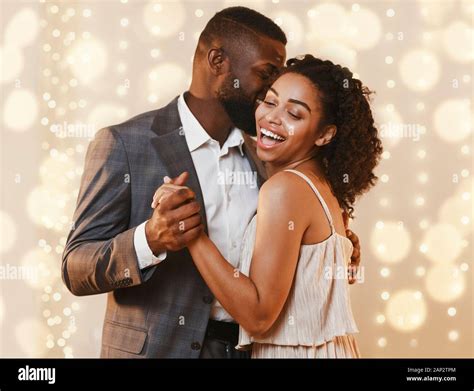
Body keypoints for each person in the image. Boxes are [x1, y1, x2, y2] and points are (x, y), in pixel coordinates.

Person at [62, 7, 361, 359]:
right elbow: (75, 267)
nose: (269, 91)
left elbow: (282, 243)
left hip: (248, 349)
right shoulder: (125, 144)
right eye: (265, 75)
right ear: (218, 61)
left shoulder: (269, 152)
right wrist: (149, 239)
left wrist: (328, 243)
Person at [174, 55, 383, 358]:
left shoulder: (284, 189)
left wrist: (191, 231)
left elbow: (258, 317)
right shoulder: (323, 187)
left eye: (294, 114)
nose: (272, 117)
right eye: (269, 102)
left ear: (325, 134)